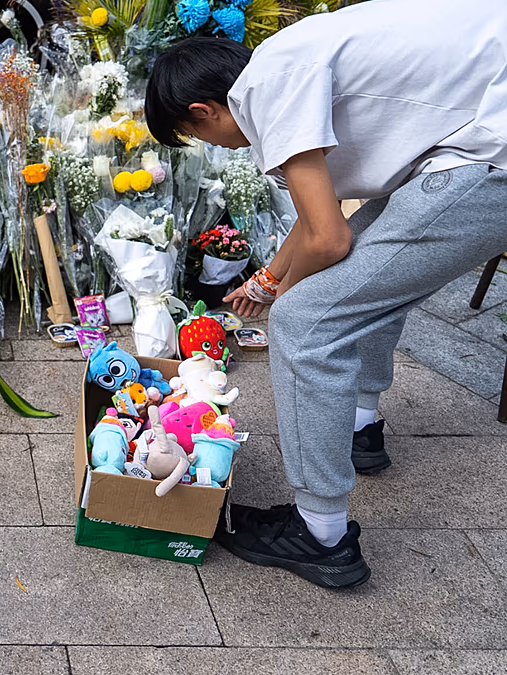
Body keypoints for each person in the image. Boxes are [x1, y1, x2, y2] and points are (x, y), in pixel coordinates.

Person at [144, 0, 507, 588]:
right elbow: (324, 220)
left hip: (489, 154)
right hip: (474, 139)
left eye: (197, 134)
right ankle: (359, 428)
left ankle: (322, 534)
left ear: (203, 109)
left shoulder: (269, 88)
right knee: (366, 276)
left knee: (308, 323)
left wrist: (283, 293)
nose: (216, 145)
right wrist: (267, 278)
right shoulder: (286, 62)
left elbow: (327, 238)